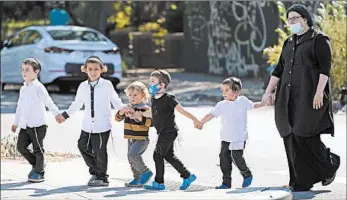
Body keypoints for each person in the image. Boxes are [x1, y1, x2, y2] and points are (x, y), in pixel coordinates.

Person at [262, 4, 340, 192]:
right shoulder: (289, 42)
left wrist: (320, 92)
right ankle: (297, 181)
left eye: (295, 18)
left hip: (310, 95)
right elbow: (279, 69)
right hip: (288, 96)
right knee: (289, 135)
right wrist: (268, 91)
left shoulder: (319, 40)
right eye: (289, 19)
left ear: (305, 18)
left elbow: (324, 68)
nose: (292, 22)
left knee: (303, 134)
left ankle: (329, 164)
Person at [57, 56, 127, 186]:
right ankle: (96, 172)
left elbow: (115, 100)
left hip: (102, 125)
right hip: (87, 125)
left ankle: (102, 178)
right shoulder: (82, 86)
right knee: (82, 146)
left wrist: (123, 110)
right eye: (90, 69)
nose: (93, 72)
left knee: (99, 151)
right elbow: (77, 103)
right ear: (85, 70)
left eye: (96, 69)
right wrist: (65, 115)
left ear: (102, 70)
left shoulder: (107, 85)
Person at [198, 77, 264, 189]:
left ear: (236, 90)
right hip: (226, 137)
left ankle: (246, 174)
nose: (224, 93)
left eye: (226, 90)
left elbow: (253, 105)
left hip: (239, 137)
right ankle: (226, 183)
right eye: (222, 90)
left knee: (236, 156)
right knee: (223, 159)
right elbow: (211, 114)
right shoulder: (221, 105)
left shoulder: (242, 101)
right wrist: (201, 122)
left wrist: (263, 103)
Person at [144, 70, 201, 190]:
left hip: (168, 132)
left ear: (162, 85)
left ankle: (159, 183)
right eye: (150, 81)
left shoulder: (168, 98)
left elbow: (182, 110)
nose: (150, 83)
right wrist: (138, 115)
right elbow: (154, 113)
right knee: (169, 156)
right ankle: (187, 176)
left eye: (153, 81)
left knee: (157, 155)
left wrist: (195, 119)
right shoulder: (154, 98)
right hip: (163, 132)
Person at [11, 58, 63, 183]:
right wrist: (16, 122)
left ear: (36, 72)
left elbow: (48, 102)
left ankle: (39, 172)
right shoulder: (23, 89)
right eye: (22, 69)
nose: (24, 72)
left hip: (37, 125)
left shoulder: (39, 87)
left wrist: (57, 114)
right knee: (21, 147)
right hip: (25, 125)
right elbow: (20, 107)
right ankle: (38, 164)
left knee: (37, 149)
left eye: (27, 70)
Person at [114, 81, 153, 187]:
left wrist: (139, 117)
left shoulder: (145, 109)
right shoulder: (127, 107)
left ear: (143, 95)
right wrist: (121, 112)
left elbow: (151, 123)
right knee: (130, 158)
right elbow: (117, 119)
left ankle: (146, 172)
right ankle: (137, 178)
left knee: (133, 155)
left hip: (141, 138)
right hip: (130, 138)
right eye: (130, 95)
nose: (132, 97)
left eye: (135, 95)